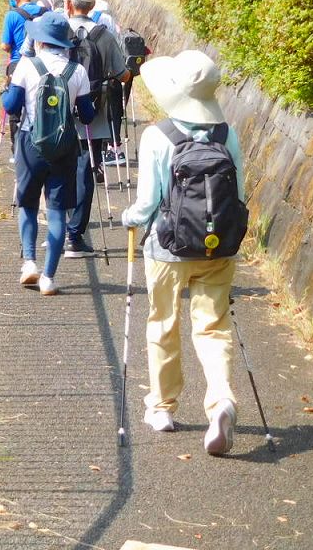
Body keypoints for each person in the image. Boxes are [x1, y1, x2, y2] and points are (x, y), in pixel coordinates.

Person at [120, 50, 245, 454]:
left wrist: (127, 218)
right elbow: (238, 197)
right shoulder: (229, 136)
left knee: (163, 323)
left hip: (168, 248)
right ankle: (221, 399)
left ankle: (162, 407)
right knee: (212, 327)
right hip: (218, 248)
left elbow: (147, 203)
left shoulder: (158, 136)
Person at [0, 11, 96, 296]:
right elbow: (88, 116)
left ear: (41, 42)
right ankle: (49, 278)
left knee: (28, 205)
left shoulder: (27, 66)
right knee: (57, 213)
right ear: (65, 43)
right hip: (64, 148)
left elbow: (12, 106)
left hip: (31, 143)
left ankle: (29, 262)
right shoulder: (77, 72)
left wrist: (5, 93)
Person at [63, 0, 131, 256]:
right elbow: (122, 74)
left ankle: (58, 226)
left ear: (68, 4)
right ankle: (74, 235)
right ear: (92, 6)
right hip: (94, 114)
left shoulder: (59, 29)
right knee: (85, 170)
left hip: (59, 112)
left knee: (56, 168)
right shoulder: (104, 35)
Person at [0, 0, 48, 76]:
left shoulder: (11, 15)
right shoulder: (45, 11)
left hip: (18, 63)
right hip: (42, 64)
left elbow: (5, 46)